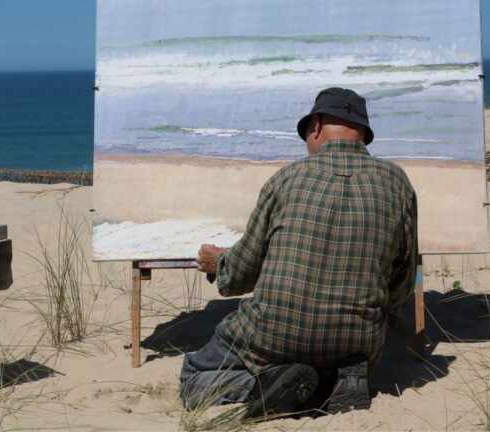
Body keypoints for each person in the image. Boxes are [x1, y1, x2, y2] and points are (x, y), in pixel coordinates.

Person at [179, 87, 418, 418]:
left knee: (193, 376)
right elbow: (404, 276)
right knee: (346, 340)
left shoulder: (286, 180)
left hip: (272, 335)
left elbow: (242, 273)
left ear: (317, 125)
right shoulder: (398, 183)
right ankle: (342, 376)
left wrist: (218, 261)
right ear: (362, 134)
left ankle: (276, 384)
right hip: (359, 341)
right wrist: (380, 319)